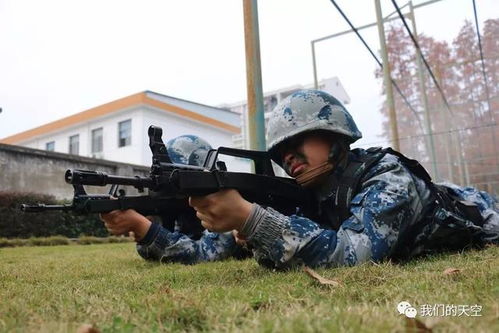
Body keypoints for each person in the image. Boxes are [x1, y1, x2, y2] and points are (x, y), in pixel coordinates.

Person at [101, 90, 499, 269]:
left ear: (335, 136)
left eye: (296, 142)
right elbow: (288, 252)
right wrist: (252, 231)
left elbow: (353, 255)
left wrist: (253, 219)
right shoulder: (316, 193)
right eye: (280, 152)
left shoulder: (387, 176)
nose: (288, 157)